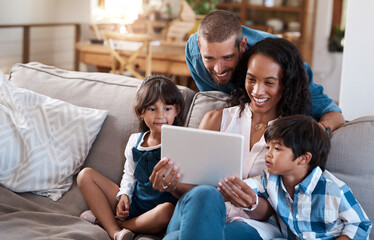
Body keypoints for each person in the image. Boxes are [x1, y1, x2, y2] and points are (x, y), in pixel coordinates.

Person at [150, 37, 317, 239]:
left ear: (286, 85)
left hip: (252, 225)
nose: (257, 91)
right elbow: (193, 192)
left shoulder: (295, 137)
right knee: (206, 193)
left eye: (269, 83)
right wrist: (172, 183)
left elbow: (281, 208)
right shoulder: (215, 120)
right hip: (196, 212)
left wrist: (250, 202)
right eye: (251, 79)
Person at [185, 9, 344, 132]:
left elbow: (333, 113)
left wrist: (318, 132)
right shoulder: (195, 54)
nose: (218, 69)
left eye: (227, 57)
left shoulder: (281, 62)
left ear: (242, 46)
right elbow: (215, 98)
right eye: (210, 58)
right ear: (200, 46)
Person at [219, 115, 372, 239]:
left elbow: (361, 224)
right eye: (268, 147)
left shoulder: (332, 188)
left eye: (277, 148)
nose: (268, 154)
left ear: (303, 159)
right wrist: (227, 188)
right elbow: (244, 187)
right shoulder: (270, 180)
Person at [77, 76, 185, 240]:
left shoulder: (179, 142)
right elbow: (129, 174)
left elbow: (184, 187)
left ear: (177, 110)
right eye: (152, 109)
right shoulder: (135, 140)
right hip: (134, 204)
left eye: (167, 108)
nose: (160, 115)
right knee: (85, 175)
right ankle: (116, 232)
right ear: (140, 111)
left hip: (158, 212)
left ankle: (113, 223)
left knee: (168, 210)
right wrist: (124, 196)